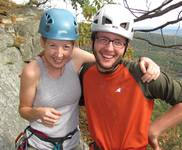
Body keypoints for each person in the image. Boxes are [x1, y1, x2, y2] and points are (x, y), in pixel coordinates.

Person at [18, 8, 160, 150]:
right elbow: (23, 109)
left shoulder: (76, 57)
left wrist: (143, 61)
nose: (59, 54)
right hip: (39, 144)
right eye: (52, 45)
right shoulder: (32, 71)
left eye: (66, 46)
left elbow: (109, 61)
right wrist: (38, 113)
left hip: (72, 143)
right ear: (43, 42)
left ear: (73, 45)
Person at [79, 3, 182, 150]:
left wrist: (154, 131)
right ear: (93, 40)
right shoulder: (86, 73)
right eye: (103, 39)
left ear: (125, 47)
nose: (109, 48)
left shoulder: (141, 74)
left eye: (118, 42)